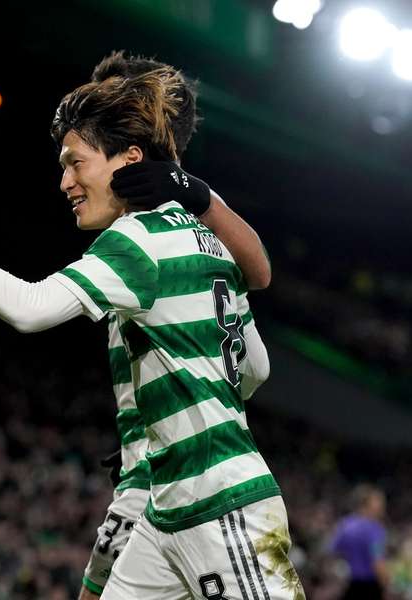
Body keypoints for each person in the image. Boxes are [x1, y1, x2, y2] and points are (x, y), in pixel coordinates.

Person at [0, 63, 303, 600]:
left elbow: (29, 307)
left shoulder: (138, 240)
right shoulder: (206, 241)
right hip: (169, 507)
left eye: (74, 163)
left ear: (129, 160)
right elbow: (256, 368)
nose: (64, 181)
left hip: (221, 504)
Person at [78, 51, 272, 600]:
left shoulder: (168, 231)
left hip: (180, 485)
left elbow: (260, 269)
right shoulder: (181, 232)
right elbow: (255, 362)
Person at [330, 485, 389, 600]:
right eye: (378, 501)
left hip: (347, 586)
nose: (382, 505)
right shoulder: (375, 529)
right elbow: (378, 562)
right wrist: (387, 586)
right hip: (370, 586)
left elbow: (333, 553)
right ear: (366, 504)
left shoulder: (344, 524)